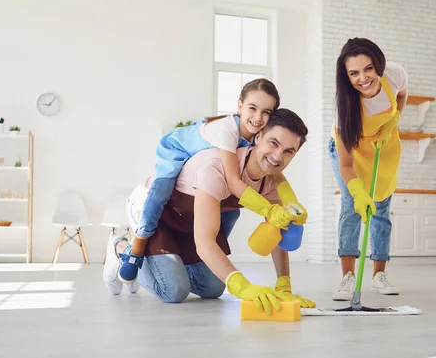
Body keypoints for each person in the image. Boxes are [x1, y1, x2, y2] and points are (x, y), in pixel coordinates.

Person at [103, 109, 314, 314]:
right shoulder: (215, 166)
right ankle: (121, 249)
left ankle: (166, 263)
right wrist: (242, 287)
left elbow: (277, 228)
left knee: (213, 288)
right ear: (258, 137)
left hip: (189, 222)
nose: (277, 156)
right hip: (155, 213)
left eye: (288, 151)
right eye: (274, 143)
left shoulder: (274, 183)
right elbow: (205, 243)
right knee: (174, 291)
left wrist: (283, 284)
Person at [119, 79, 305, 284]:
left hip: (191, 215)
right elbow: (233, 181)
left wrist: (291, 205)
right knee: (161, 190)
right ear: (240, 106)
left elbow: (275, 173)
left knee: (231, 212)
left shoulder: (254, 139)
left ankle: (192, 257)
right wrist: (268, 211)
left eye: (266, 112)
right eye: (253, 108)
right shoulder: (227, 135)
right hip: (175, 150)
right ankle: (133, 249)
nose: (258, 117)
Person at [329, 37, 408, 301]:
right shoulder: (344, 109)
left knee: (381, 209)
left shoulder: (395, 74)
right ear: (346, 76)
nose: (362, 78)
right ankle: (347, 278)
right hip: (350, 151)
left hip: (383, 147)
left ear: (379, 66)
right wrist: (357, 191)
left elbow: (402, 94)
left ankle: (378, 276)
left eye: (368, 68)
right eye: (354, 73)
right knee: (353, 207)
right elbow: (345, 164)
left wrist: (392, 122)